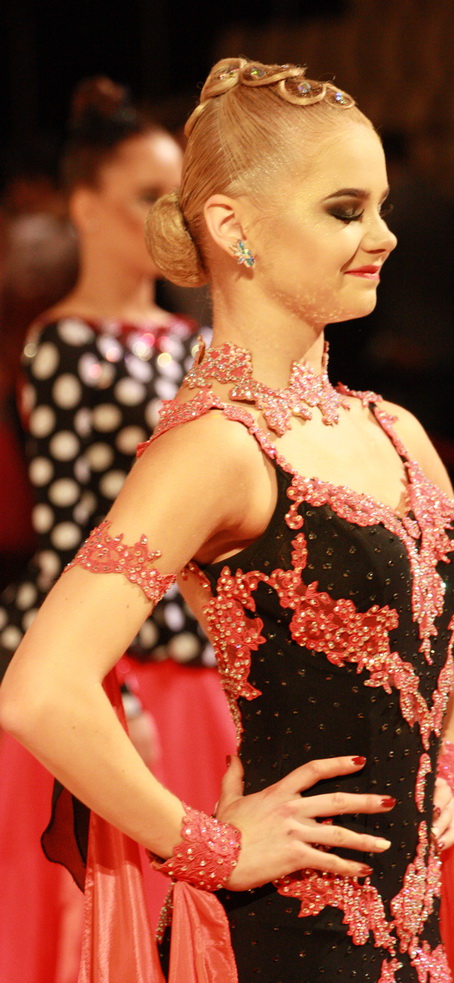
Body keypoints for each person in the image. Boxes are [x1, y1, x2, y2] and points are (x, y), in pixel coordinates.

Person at [0, 59, 454, 983]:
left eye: (381, 207)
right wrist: (210, 847)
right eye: (345, 210)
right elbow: (40, 689)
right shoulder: (212, 450)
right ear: (232, 226)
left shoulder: (395, 431)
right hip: (293, 939)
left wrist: (451, 773)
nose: (383, 235)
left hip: (420, 932)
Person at [0, 76, 235, 983]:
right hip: (108, 663)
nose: (165, 217)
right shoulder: (63, 342)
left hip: (193, 656)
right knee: (93, 909)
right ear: (84, 206)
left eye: (177, 197)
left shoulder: (191, 341)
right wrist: (102, 693)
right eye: (145, 196)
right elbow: (69, 527)